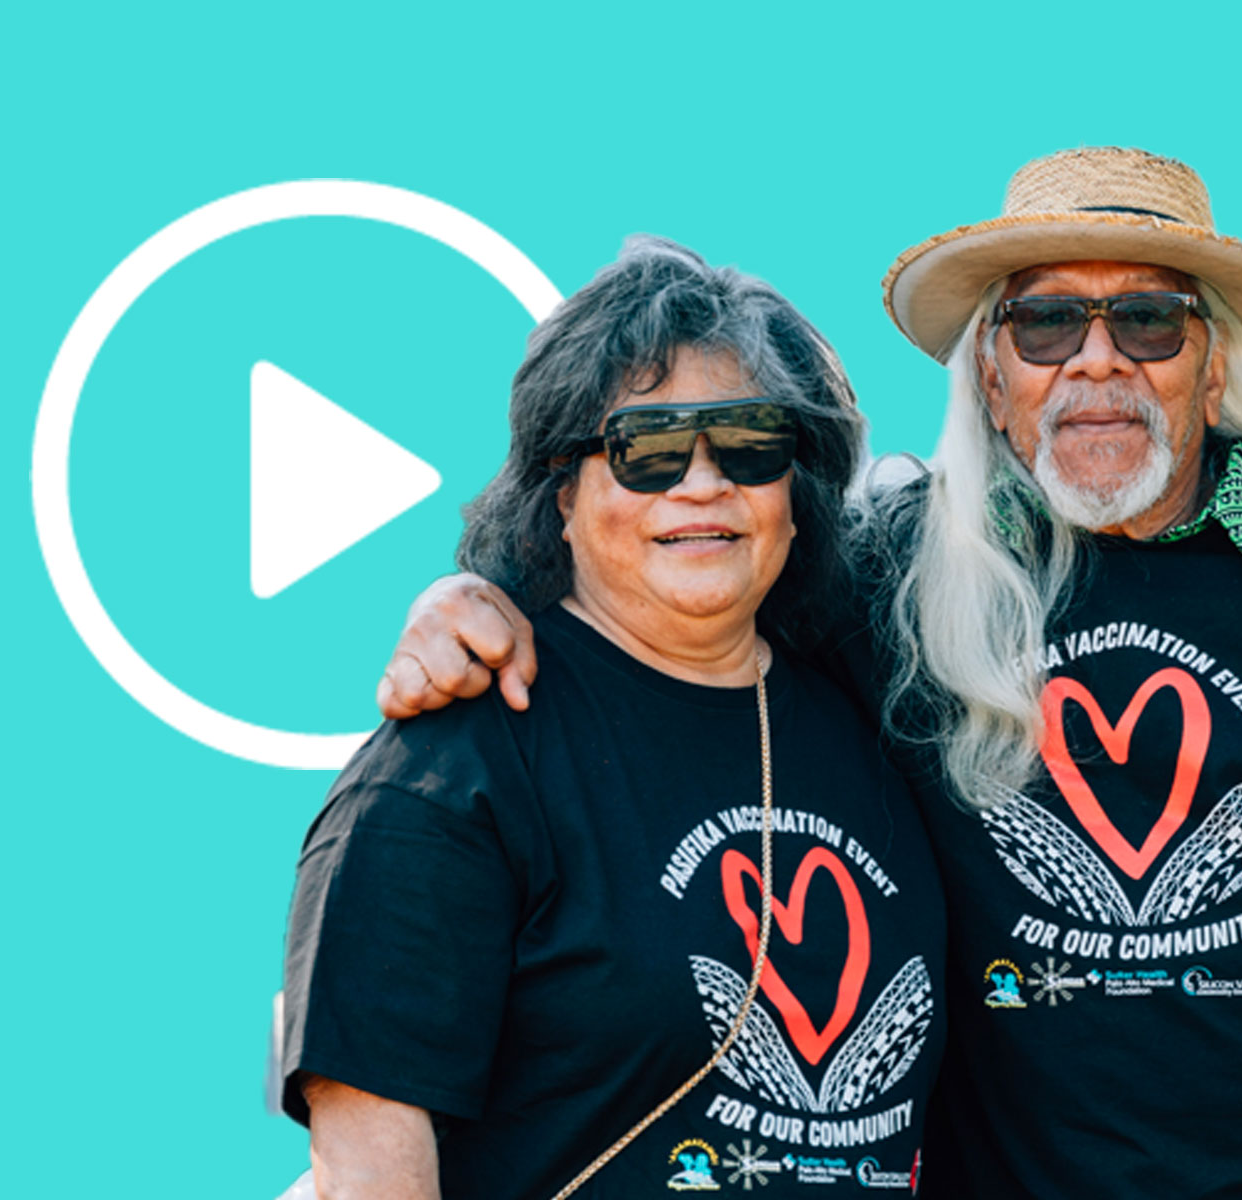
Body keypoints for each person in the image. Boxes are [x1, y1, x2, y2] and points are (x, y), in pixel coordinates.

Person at [377, 148, 1242, 1198]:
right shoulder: (885, 581)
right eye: (1045, 322)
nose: (1098, 361)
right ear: (991, 371)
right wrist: (473, 597)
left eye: (1148, 322)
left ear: (1211, 364)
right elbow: (672, 581)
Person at [280, 238, 946, 1199]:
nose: (703, 482)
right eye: (650, 449)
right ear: (561, 495)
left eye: (751, 442)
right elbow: (367, 1166)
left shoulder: (881, 715)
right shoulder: (455, 762)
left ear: (797, 494)